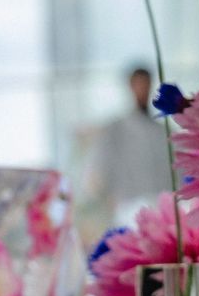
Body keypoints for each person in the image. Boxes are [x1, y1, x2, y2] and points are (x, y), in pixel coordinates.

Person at [75, 62, 177, 235]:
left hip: (164, 212)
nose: (142, 90)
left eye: (146, 85)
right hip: (127, 210)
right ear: (131, 86)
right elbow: (97, 174)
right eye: (138, 85)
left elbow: (178, 173)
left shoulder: (163, 132)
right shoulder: (113, 131)